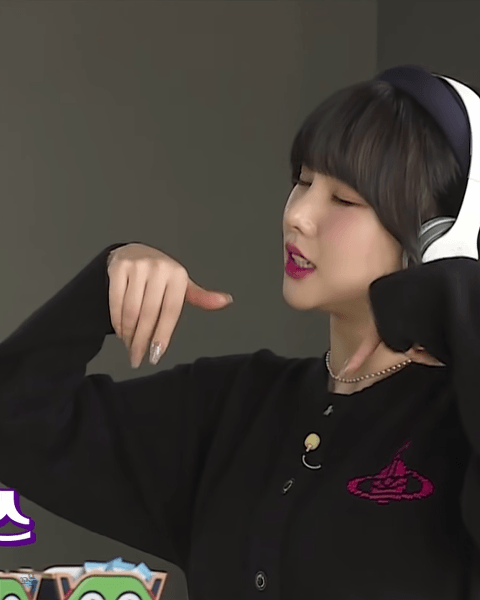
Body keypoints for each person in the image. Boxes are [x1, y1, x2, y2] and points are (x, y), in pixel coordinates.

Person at [1, 65, 480, 600]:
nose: (298, 215)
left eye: (344, 199)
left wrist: (457, 293)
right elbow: (16, 421)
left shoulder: (459, 427)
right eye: (302, 181)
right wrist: (106, 284)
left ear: (437, 236)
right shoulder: (235, 406)